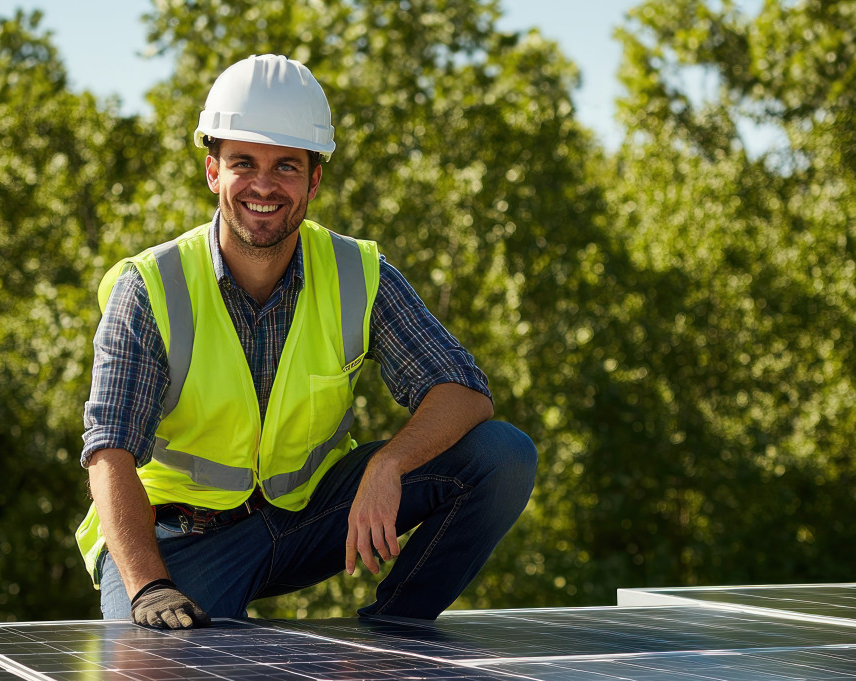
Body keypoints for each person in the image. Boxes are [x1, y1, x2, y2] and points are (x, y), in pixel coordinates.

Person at [75, 54, 536, 629]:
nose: (264, 186)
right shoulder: (151, 288)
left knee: (502, 454)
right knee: (158, 678)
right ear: (213, 171)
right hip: (177, 543)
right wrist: (148, 587)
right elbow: (110, 451)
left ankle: (395, 635)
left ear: (314, 180)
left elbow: (465, 392)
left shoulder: (355, 272)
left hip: (308, 519)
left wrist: (389, 463)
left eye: (286, 166)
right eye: (244, 162)